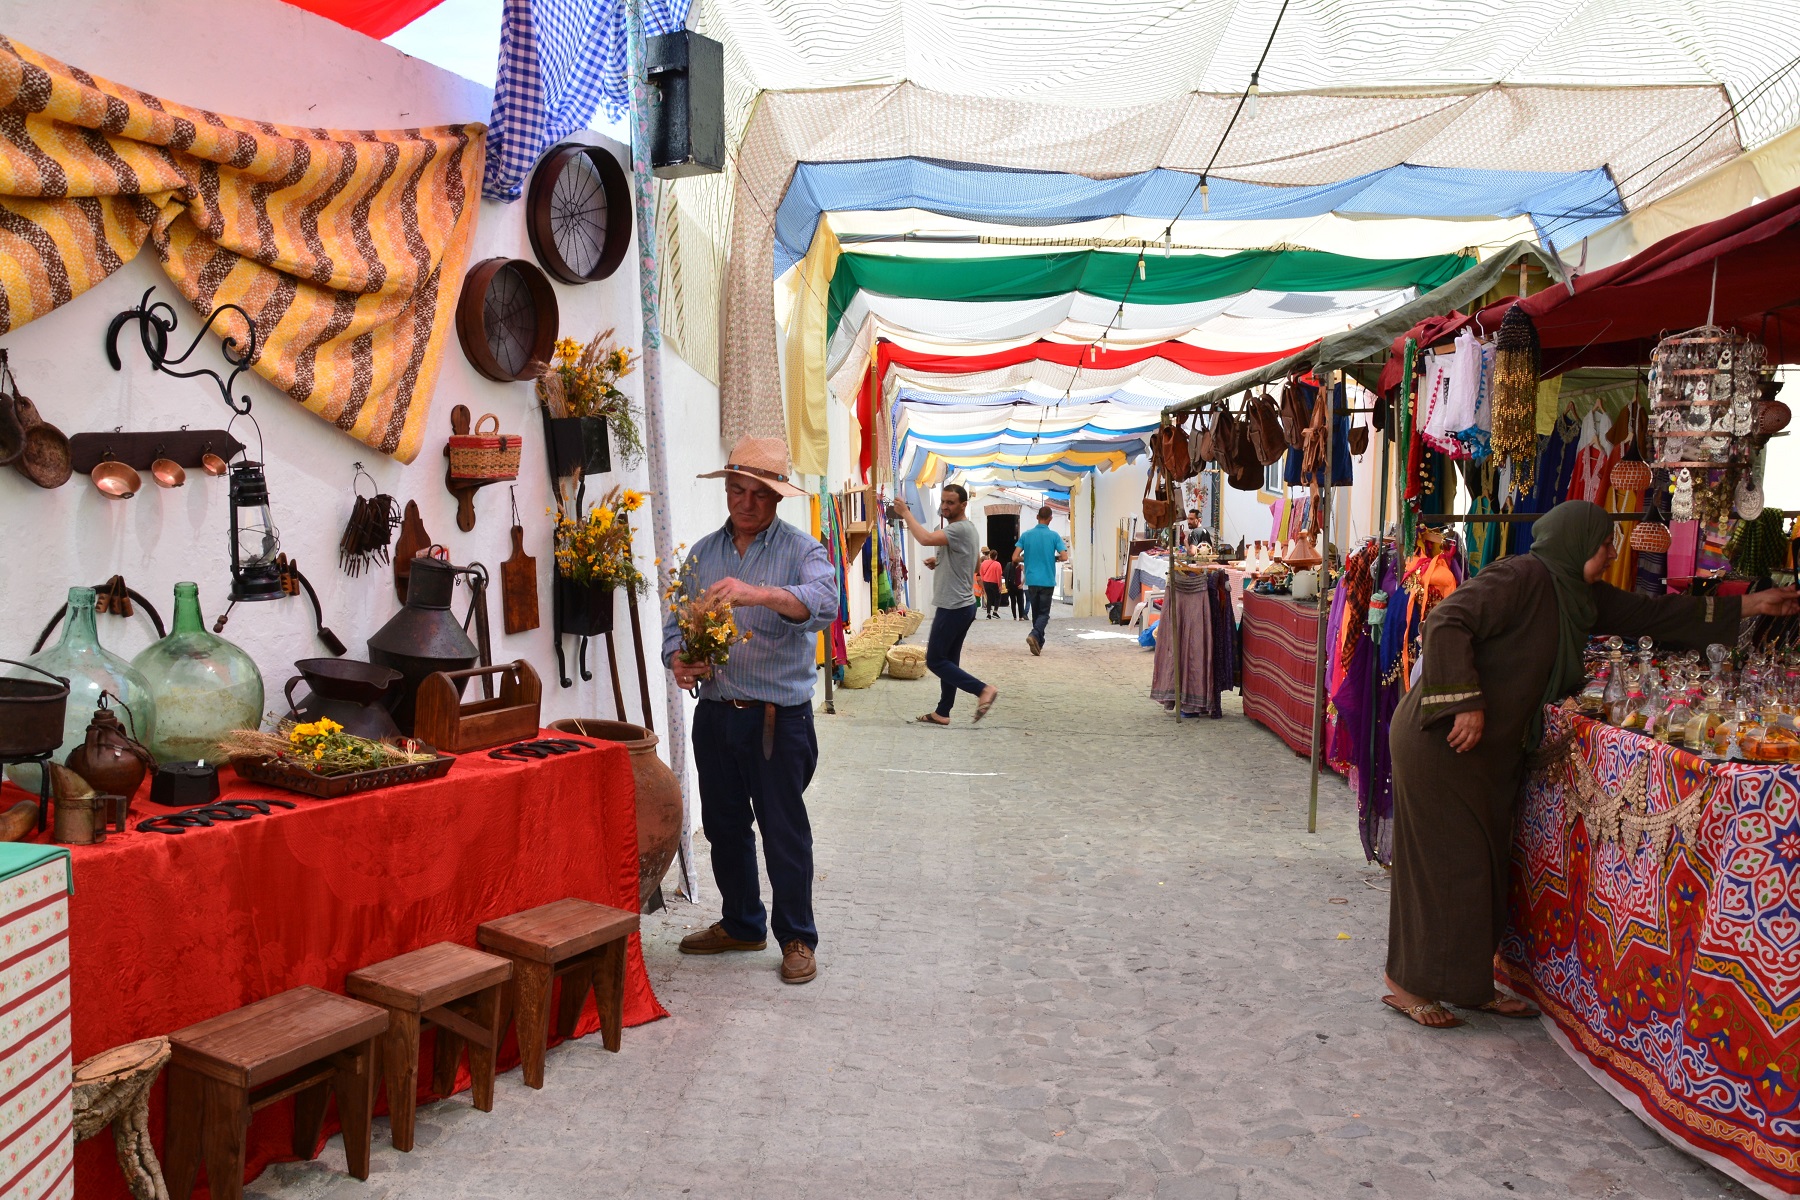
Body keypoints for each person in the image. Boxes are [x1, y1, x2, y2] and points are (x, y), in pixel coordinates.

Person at [1383, 500, 1800, 1028]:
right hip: (1442, 739)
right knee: (1443, 864)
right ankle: (1405, 985)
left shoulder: (1576, 596)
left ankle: (1467, 986)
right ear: (1575, 541)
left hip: (1484, 752)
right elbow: (1446, 621)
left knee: (1482, 867)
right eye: (1604, 543)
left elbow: (1656, 615)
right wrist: (1464, 699)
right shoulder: (1522, 576)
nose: (1611, 552)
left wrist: (1755, 604)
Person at [664, 436, 839, 986]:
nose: (745, 503)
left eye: (758, 494)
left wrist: (758, 593)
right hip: (715, 714)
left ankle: (796, 938)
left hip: (776, 719)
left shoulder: (803, 550)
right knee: (723, 825)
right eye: (737, 491)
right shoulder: (702, 554)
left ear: (777, 498)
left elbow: (825, 604)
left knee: (783, 830)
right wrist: (679, 659)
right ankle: (741, 922)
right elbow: (676, 623)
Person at [892, 486, 998, 724]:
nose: (945, 506)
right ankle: (943, 711)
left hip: (954, 606)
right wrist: (940, 560)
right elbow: (973, 565)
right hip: (962, 604)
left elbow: (926, 539)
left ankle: (983, 690)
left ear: (963, 505)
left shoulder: (958, 529)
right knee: (949, 659)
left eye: (951, 502)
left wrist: (905, 514)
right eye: (943, 501)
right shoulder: (965, 529)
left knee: (935, 660)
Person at [1015, 505, 1068, 656]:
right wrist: (1054, 558)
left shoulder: (1026, 535)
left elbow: (1014, 557)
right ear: (1050, 519)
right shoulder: (1054, 536)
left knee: (1036, 613)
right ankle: (1034, 635)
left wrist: (1026, 557)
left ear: (1037, 517)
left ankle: (1039, 642)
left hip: (1031, 580)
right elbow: (1064, 557)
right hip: (1047, 580)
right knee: (1044, 614)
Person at [977, 547, 1005, 618]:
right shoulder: (997, 564)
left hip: (986, 582)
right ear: (995, 556)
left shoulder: (984, 563)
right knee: (997, 597)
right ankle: (995, 612)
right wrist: (1000, 586)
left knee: (989, 597)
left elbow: (981, 572)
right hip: (994, 582)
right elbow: (999, 576)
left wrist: (984, 579)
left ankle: (988, 613)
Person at [1004, 551, 1027, 620]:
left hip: (1013, 586)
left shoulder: (1010, 565)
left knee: (1015, 602)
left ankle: (1017, 616)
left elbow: (1005, 575)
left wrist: (1007, 585)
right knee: (1018, 602)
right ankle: (1018, 616)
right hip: (1016, 586)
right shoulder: (1018, 566)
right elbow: (1026, 575)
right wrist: (1022, 584)